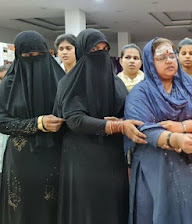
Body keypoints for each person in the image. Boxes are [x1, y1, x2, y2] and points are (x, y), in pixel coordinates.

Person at [54, 29, 144, 224]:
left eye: (105, 49)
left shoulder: (116, 83)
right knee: (87, 209)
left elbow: (125, 114)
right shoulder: (69, 83)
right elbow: (75, 119)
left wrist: (120, 121)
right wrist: (115, 126)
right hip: (82, 157)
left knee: (111, 207)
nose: (100, 54)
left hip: (111, 155)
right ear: (82, 52)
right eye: (94, 49)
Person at [125, 37, 192, 224]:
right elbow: (144, 129)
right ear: (150, 62)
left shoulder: (189, 87)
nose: (169, 61)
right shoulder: (140, 93)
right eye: (161, 58)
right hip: (156, 165)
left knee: (191, 212)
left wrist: (185, 126)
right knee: (163, 213)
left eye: (172, 56)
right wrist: (175, 139)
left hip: (191, 162)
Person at [0, 31, 65, 224]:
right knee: (22, 212)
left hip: (54, 155)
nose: (34, 61)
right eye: (27, 57)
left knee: (51, 210)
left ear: (47, 53)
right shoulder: (8, 85)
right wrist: (37, 123)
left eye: (39, 56)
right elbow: (2, 121)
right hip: (21, 161)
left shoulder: (60, 80)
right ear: (18, 57)